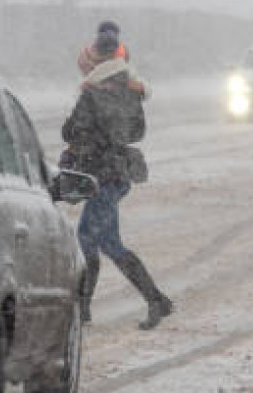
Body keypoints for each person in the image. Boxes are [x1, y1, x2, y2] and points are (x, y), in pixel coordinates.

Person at [62, 21, 173, 328]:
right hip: (117, 174)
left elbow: (69, 130)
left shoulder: (92, 93)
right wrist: (113, 135)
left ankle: (147, 301)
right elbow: (138, 131)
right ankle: (149, 301)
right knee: (100, 239)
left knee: (95, 239)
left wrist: (93, 136)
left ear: (94, 63)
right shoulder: (130, 89)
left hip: (101, 176)